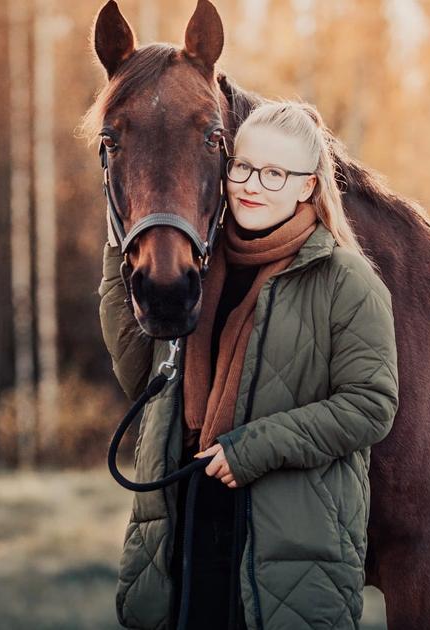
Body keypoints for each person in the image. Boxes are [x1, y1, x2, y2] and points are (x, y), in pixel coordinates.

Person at [98, 100, 399, 629]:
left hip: (287, 546)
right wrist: (121, 244)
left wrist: (251, 449)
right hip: (185, 525)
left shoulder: (345, 280)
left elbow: (370, 406)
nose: (251, 185)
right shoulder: (199, 270)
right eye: (242, 167)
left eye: (275, 173)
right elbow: (139, 378)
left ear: (308, 186)